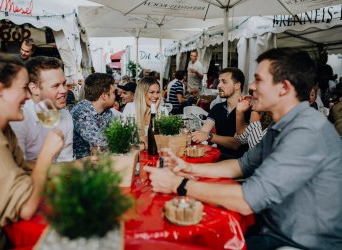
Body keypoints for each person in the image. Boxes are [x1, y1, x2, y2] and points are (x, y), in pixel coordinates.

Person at [145, 48, 342, 250]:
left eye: (259, 80)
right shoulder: (282, 125)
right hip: (273, 231)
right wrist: (188, 167)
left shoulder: (306, 131)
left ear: (283, 87)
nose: (252, 87)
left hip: (303, 243)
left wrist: (179, 184)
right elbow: (241, 164)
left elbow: (247, 200)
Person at [0, 49, 63, 249]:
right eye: (24, 88)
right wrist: (46, 155)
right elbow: (26, 207)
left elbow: (22, 174)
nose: (28, 96)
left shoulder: (2, 129)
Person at [10, 56, 74, 164]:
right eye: (55, 86)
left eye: (64, 83)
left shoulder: (66, 116)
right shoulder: (20, 118)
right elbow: (19, 165)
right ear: (34, 88)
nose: (64, 90)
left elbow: (65, 161)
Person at [192, 67, 249, 160]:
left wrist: (209, 136)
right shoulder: (217, 108)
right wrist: (194, 135)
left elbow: (236, 144)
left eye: (224, 82)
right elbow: (204, 131)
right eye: (219, 82)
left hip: (240, 162)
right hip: (219, 157)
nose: (219, 85)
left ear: (237, 85)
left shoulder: (247, 109)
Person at [71, 73, 116, 159]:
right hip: (82, 168)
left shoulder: (107, 112)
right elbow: (101, 144)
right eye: (113, 92)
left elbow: (118, 136)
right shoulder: (81, 112)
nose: (115, 96)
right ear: (104, 96)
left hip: (104, 162)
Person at [122, 76, 164, 142]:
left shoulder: (162, 110)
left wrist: (154, 111)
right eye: (152, 92)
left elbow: (161, 138)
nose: (156, 96)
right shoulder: (130, 108)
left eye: (158, 92)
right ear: (142, 93)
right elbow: (126, 136)